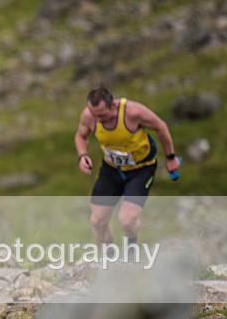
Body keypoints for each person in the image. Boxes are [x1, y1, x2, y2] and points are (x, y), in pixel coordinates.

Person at [74, 86, 180, 246]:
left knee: (127, 220)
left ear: (113, 105)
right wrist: (82, 156)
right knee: (97, 221)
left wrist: (170, 156)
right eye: (95, 116)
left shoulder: (133, 113)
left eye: (103, 115)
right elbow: (81, 136)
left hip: (141, 170)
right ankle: (108, 258)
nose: (99, 120)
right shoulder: (90, 116)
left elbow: (161, 126)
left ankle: (132, 246)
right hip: (112, 169)